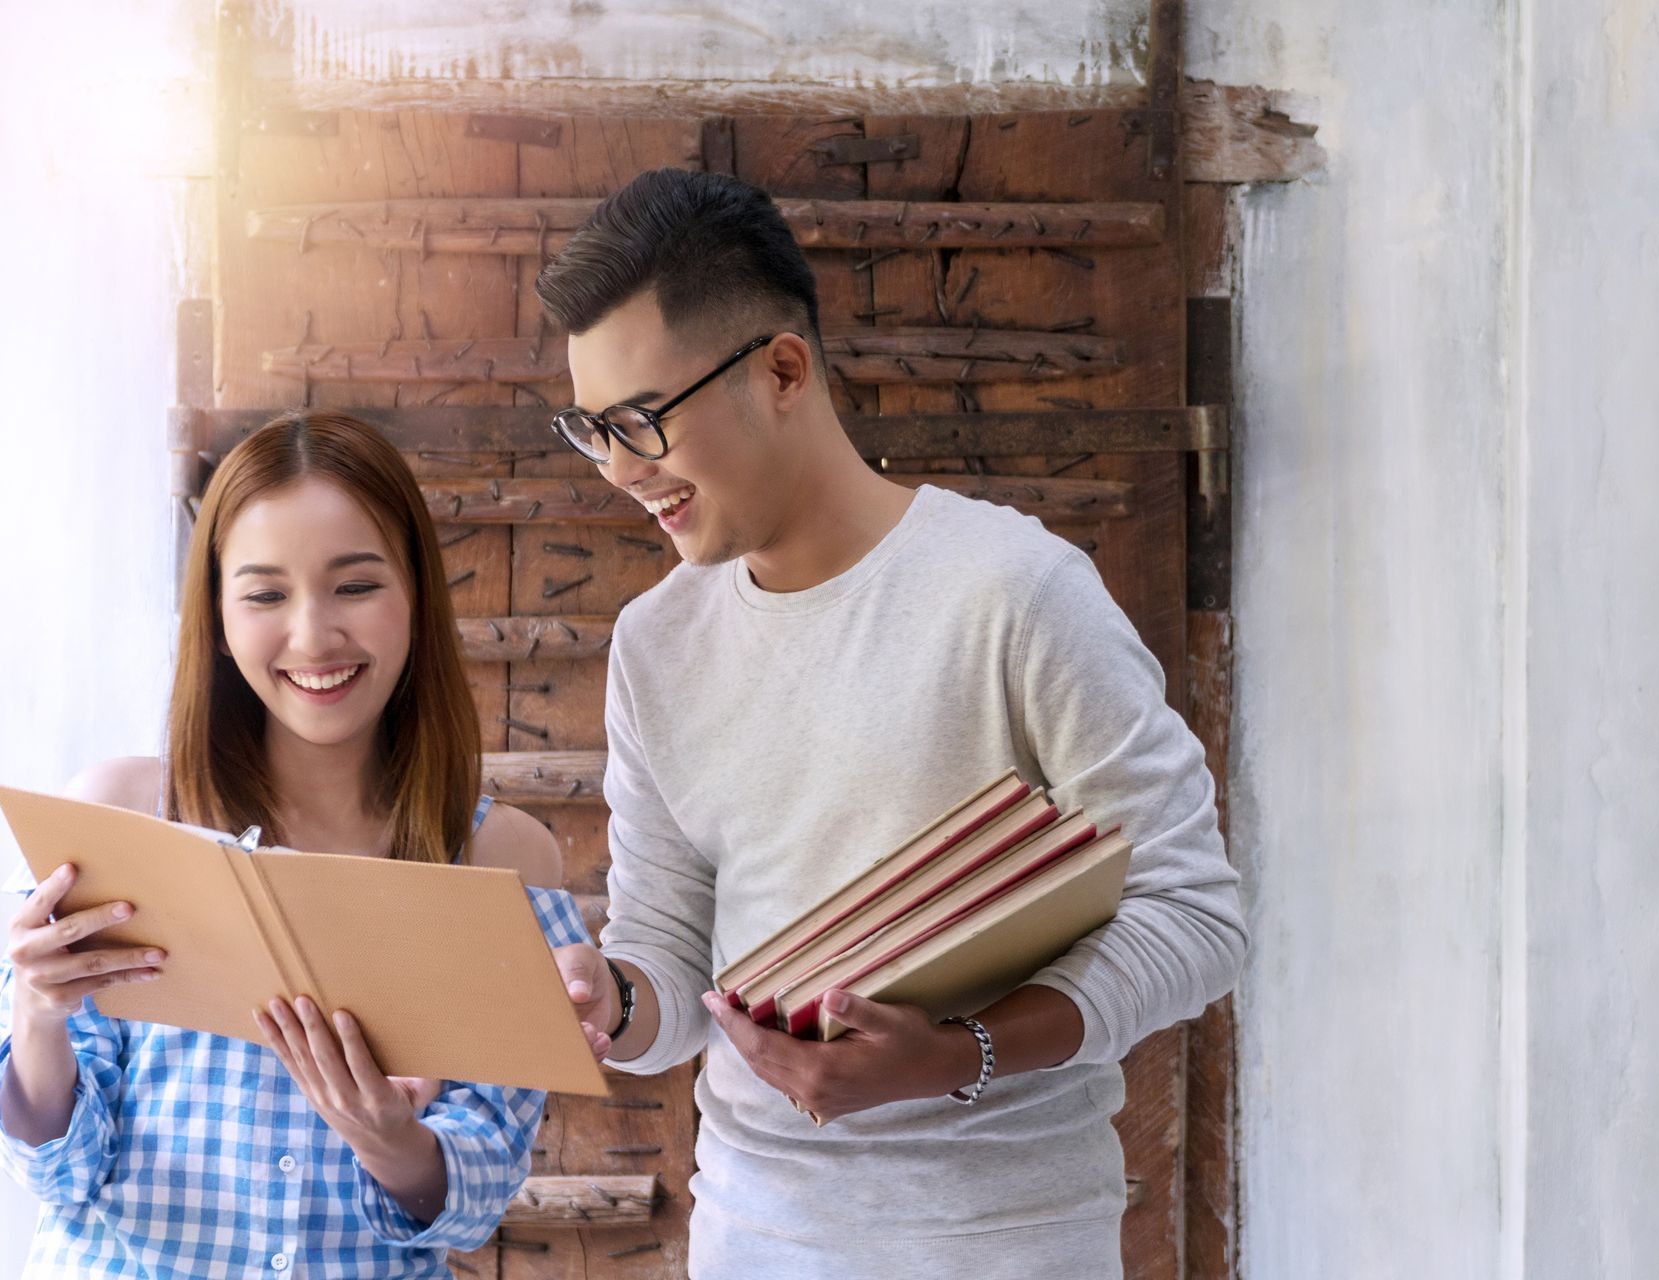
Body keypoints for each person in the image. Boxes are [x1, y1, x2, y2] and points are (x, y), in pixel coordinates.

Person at [540, 168, 1248, 1277]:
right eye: (593, 430)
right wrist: (613, 999)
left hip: (1005, 1245)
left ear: (781, 369)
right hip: (753, 1235)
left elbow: (1195, 915)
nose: (622, 471)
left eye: (642, 421)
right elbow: (670, 957)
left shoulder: (1016, 591)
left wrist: (958, 1054)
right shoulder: (655, 643)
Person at [0, 411, 590, 1278]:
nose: (313, 637)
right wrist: (37, 1017)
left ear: (417, 595)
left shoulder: (506, 856)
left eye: (355, 586)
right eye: (266, 595)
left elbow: (476, 1198)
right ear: (217, 614)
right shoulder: (120, 813)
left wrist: (390, 1141)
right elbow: (59, 1171)